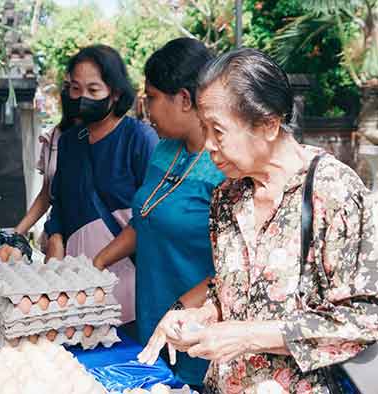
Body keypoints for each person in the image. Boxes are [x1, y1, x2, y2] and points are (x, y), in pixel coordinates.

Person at [148, 48, 378, 392]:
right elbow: (236, 290)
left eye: (218, 130)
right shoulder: (227, 196)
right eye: (203, 129)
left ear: (269, 124)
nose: (209, 144)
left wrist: (246, 338)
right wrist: (201, 316)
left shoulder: (332, 192)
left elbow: (365, 317)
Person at [93, 38, 224, 388]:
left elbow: (235, 269)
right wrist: (95, 265)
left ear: (184, 99)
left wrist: (180, 314)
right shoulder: (164, 150)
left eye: (151, 97)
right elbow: (145, 221)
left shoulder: (225, 168)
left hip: (195, 330)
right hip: (152, 316)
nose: (146, 108)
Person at [44, 45, 159, 324]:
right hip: (73, 289)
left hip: (126, 287)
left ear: (115, 93)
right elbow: (59, 203)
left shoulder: (139, 139)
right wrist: (55, 243)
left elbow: (153, 216)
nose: (82, 98)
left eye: (93, 91)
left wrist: (97, 265)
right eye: (74, 88)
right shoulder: (70, 141)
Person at [14, 76, 78, 248]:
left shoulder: (115, 139)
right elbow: (46, 194)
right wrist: (16, 235)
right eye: (71, 87)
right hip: (57, 240)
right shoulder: (54, 138)